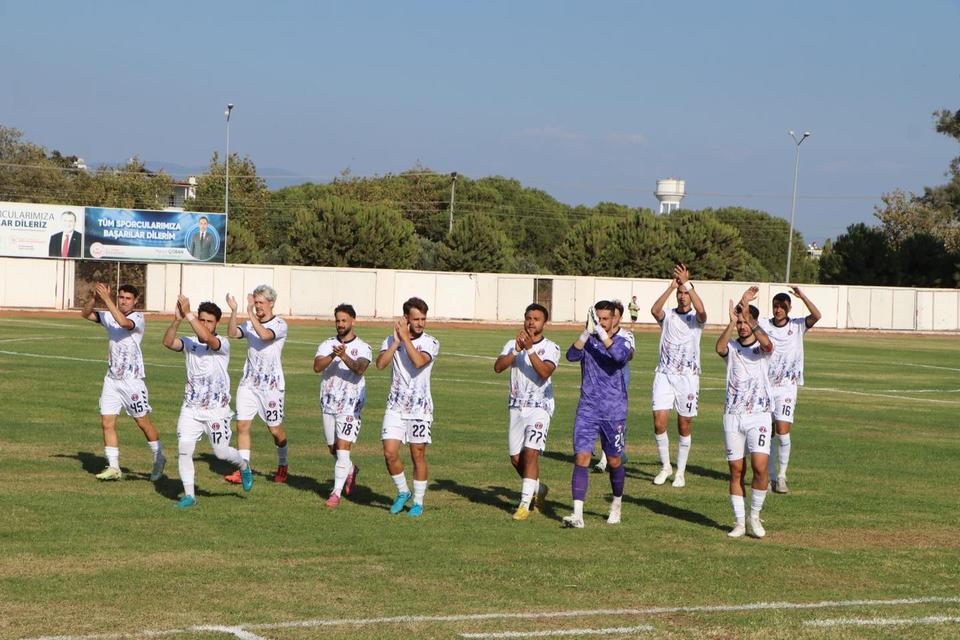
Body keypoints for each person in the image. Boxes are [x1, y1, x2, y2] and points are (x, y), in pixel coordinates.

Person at [162, 295, 253, 507]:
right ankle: (190, 496)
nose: (204, 324)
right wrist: (177, 320)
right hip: (190, 408)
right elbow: (168, 342)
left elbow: (207, 339)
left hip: (216, 411)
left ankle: (244, 465)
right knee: (184, 450)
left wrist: (188, 314)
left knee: (221, 453)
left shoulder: (222, 343)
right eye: (201, 320)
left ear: (217, 323)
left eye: (209, 321)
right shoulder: (189, 342)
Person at [81, 283, 165, 481]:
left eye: (128, 298)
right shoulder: (109, 315)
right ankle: (114, 467)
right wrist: (95, 298)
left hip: (132, 381)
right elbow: (86, 314)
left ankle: (159, 457)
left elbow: (124, 323)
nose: (124, 301)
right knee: (107, 422)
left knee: (142, 422)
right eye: (121, 297)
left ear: (135, 301)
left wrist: (107, 299)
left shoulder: (137, 318)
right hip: (112, 380)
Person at [562, 300, 634, 528]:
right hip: (587, 409)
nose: (601, 323)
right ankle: (578, 515)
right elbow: (571, 355)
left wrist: (601, 333)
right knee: (581, 457)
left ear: (614, 319)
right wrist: (586, 332)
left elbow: (620, 357)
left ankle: (616, 504)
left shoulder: (624, 339)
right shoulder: (589, 340)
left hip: (614, 410)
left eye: (605, 319)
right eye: (598, 318)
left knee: (614, 460)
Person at [715, 287, 775, 538]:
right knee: (736, 470)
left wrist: (748, 313)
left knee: (760, 467)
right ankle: (739, 522)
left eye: (744, 322)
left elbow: (768, 344)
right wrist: (731, 322)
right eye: (739, 322)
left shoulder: (761, 348)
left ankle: (754, 516)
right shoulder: (731, 346)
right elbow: (719, 348)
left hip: (759, 415)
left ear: (753, 322)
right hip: (733, 416)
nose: (741, 326)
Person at [493, 303, 559, 520]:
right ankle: (538, 489)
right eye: (528, 318)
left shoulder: (551, 347)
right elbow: (498, 367)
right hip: (516, 406)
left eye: (536, 319)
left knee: (531, 452)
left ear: (544, 323)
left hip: (540, 407)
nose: (531, 322)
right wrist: (516, 350)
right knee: (516, 459)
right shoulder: (512, 344)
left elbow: (544, 372)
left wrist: (530, 349)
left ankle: (524, 504)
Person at [376, 297, 440, 517]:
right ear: (406, 319)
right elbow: (380, 364)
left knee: (417, 455)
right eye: (416, 319)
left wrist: (405, 338)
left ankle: (418, 502)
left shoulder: (431, 342)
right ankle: (403, 491)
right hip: (395, 407)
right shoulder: (391, 340)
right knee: (389, 452)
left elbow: (419, 361)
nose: (420, 323)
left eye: (423, 318)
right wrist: (395, 342)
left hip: (420, 409)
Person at [223, 285, 290, 484]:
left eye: (261, 302)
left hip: (271, 387)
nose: (258, 306)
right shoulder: (250, 322)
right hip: (248, 384)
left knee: (275, 431)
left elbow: (265, 335)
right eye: (256, 302)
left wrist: (250, 312)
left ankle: (283, 463)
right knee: (242, 425)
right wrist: (235, 311)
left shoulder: (280, 324)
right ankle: (243, 469)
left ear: (271, 303)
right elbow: (232, 333)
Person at [758, 285, 822, 493]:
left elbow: (817, 315)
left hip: (787, 388)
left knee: (783, 432)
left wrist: (803, 296)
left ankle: (781, 476)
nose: (778, 310)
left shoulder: (797, 325)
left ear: (789, 308)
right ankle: (768, 477)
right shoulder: (764, 325)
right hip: (766, 387)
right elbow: (746, 318)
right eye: (776, 306)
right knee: (767, 433)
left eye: (783, 307)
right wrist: (745, 300)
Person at [649, 263, 707, 488]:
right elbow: (655, 310)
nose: (683, 296)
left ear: (691, 294)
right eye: (680, 293)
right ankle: (666, 467)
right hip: (664, 374)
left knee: (684, 425)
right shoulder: (669, 316)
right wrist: (671, 287)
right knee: (659, 422)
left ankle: (680, 471)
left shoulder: (696, 319)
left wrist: (687, 283)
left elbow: (702, 311)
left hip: (688, 378)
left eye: (686, 293)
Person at [313, 303, 372, 507]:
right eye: (337, 320)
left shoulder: (363, 347)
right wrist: (332, 355)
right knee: (333, 449)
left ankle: (335, 493)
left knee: (343, 447)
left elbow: (360, 368)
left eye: (344, 320)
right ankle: (351, 469)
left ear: (353, 321)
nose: (340, 324)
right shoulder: (327, 344)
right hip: (329, 403)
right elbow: (317, 367)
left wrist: (344, 356)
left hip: (350, 405)